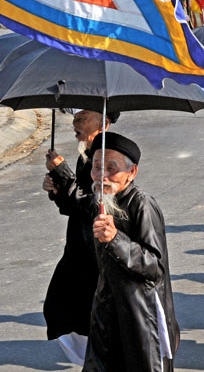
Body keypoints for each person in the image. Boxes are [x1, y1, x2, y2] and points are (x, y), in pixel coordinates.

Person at [85, 132, 179, 371]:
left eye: (111, 168)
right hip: (108, 311)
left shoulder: (142, 205)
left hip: (141, 315)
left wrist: (115, 239)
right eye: (96, 167)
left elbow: (155, 267)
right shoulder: (102, 201)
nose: (102, 175)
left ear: (132, 173)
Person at [41, 109, 117, 365]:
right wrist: (57, 190)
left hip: (97, 248)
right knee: (61, 309)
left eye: (83, 118)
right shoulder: (87, 154)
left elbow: (96, 204)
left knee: (85, 312)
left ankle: (101, 360)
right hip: (78, 246)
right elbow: (73, 205)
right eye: (75, 117)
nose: (76, 122)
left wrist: (62, 173)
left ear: (103, 122)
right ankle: (94, 360)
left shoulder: (108, 156)